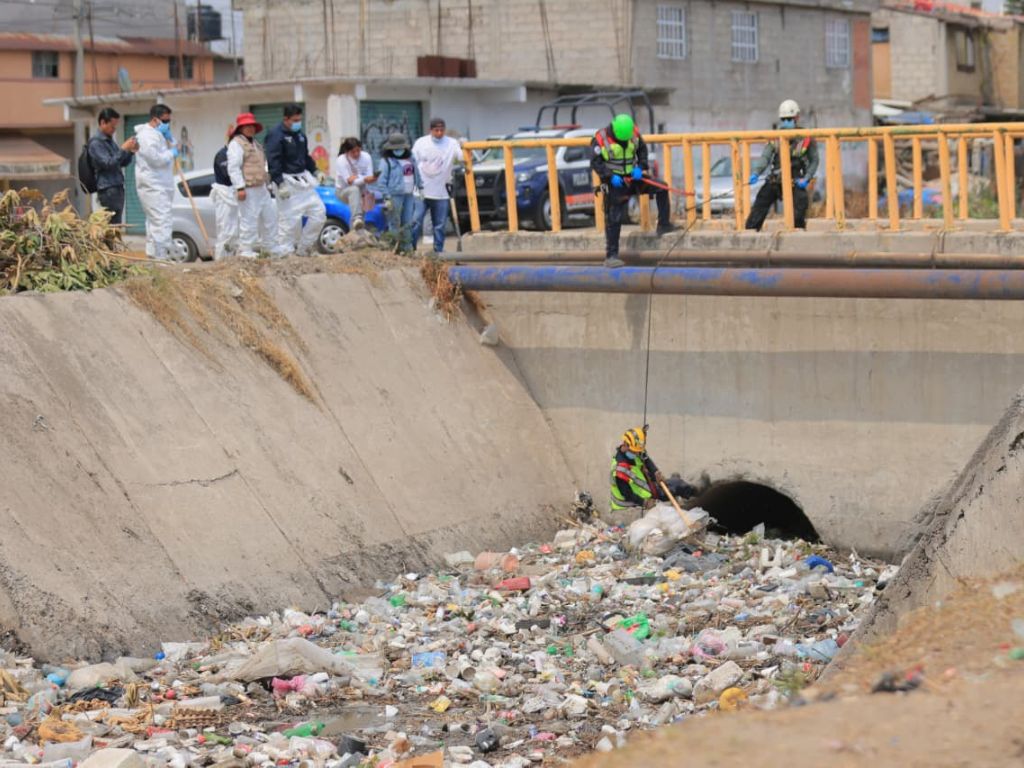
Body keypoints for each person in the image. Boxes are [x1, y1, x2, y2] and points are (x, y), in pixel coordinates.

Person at [591, 113, 677, 269]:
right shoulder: (600, 139)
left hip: (633, 178)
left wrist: (640, 167)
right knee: (614, 217)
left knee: (661, 187)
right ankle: (611, 256)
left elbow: (642, 151)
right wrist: (610, 177)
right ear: (615, 133)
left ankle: (664, 224)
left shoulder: (634, 134)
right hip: (614, 183)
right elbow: (596, 163)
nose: (626, 142)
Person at [745, 99, 820, 231]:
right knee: (761, 201)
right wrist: (756, 172)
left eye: (789, 119)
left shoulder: (806, 137)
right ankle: (750, 231)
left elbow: (814, 160)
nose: (786, 123)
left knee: (800, 203)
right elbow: (766, 157)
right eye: (784, 119)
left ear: (796, 118)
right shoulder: (775, 137)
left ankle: (798, 231)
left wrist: (807, 177)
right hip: (776, 179)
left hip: (795, 180)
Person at [265, 103, 326, 256]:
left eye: (300, 119)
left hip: (303, 180)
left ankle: (304, 248)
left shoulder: (300, 135)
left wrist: (316, 170)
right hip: (286, 182)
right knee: (289, 221)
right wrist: (279, 183)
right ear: (286, 119)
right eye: (295, 120)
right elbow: (273, 161)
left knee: (319, 213)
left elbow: (305, 157)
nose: (298, 122)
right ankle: (284, 253)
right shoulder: (275, 135)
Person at [228, 112, 280, 259]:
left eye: (252, 126)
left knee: (269, 217)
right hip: (248, 188)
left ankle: (271, 247)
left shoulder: (256, 144)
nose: (250, 128)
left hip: (261, 187)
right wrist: (239, 187)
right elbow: (233, 167)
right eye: (247, 126)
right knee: (248, 220)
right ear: (240, 128)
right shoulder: (236, 144)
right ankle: (245, 250)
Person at [133, 103, 178, 260]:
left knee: (155, 222)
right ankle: (161, 258)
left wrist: (170, 139)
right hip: (152, 184)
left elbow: (170, 149)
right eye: (164, 121)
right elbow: (155, 159)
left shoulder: (159, 134)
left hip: (162, 184)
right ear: (155, 119)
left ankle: (154, 256)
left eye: (169, 121)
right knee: (161, 221)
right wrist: (171, 154)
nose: (167, 124)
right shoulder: (146, 136)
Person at [412, 116, 462, 254]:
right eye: (436, 130)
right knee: (416, 221)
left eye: (441, 130)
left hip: (441, 192)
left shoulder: (452, 143)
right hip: (421, 191)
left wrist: (464, 146)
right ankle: (410, 249)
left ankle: (438, 251)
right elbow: (412, 163)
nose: (439, 133)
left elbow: (462, 157)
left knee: (439, 225)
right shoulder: (421, 143)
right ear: (431, 130)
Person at [87, 107, 137, 225]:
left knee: (116, 225)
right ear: (103, 122)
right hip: (107, 189)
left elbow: (121, 163)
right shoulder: (96, 143)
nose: (114, 130)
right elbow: (108, 163)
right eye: (112, 126)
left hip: (117, 187)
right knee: (110, 226)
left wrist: (130, 151)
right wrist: (123, 149)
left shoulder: (109, 141)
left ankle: (113, 244)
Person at [375, 132, 421, 253]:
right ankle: (393, 248)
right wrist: (387, 197)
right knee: (394, 223)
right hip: (394, 195)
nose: (398, 150)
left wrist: (420, 187)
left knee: (407, 223)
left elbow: (417, 174)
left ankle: (406, 249)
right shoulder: (386, 161)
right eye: (396, 149)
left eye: (401, 148)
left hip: (409, 194)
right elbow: (381, 181)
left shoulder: (411, 159)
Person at [610, 425, 668, 514]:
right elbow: (626, 493)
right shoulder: (620, 469)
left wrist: (656, 472)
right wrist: (644, 502)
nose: (637, 454)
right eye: (634, 451)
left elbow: (646, 459)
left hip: (644, 496)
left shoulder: (635, 449)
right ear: (625, 444)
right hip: (626, 508)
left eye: (638, 451)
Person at [334, 137, 376, 231]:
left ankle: (356, 231)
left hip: (362, 190)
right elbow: (350, 182)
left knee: (360, 218)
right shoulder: (341, 160)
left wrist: (361, 178)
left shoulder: (366, 157)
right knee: (354, 190)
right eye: (353, 152)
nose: (356, 154)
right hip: (343, 191)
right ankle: (357, 217)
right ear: (347, 152)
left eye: (358, 150)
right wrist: (364, 179)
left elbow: (369, 175)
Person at [210, 124, 239, 260]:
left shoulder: (240, 154)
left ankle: (232, 258)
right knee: (225, 230)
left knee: (235, 232)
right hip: (225, 195)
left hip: (236, 195)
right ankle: (221, 260)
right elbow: (229, 175)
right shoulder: (222, 155)